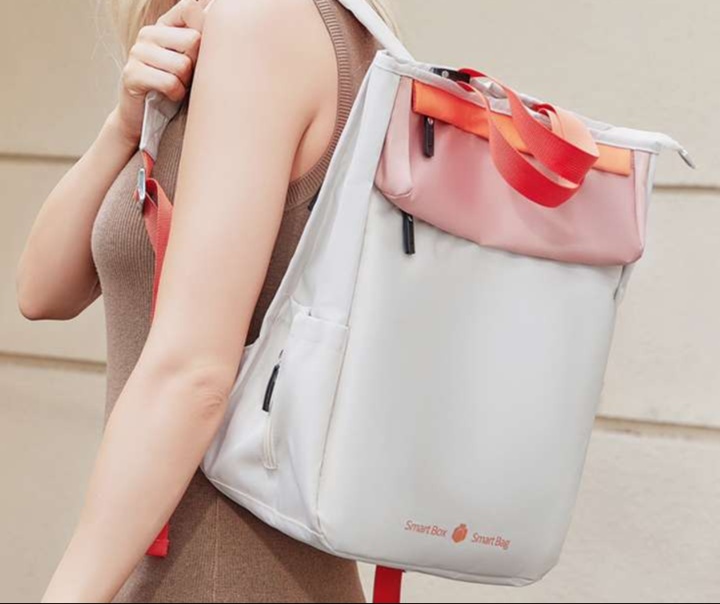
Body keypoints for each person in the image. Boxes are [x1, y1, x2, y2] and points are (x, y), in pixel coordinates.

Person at [15, 0, 390, 600]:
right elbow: (42, 292)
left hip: (218, 575)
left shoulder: (262, 25)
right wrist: (125, 125)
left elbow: (193, 376)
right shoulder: (315, 30)